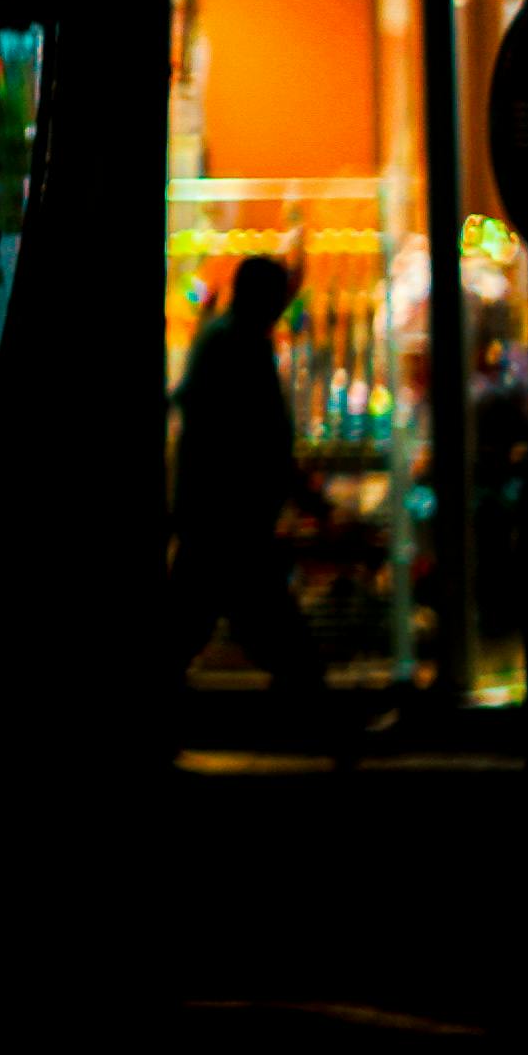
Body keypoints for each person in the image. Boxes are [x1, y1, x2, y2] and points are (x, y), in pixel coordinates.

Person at [168, 254, 335, 729]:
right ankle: (313, 720)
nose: (283, 306)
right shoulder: (239, 344)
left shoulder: (223, 338)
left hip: (214, 515)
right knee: (268, 624)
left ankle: (307, 713)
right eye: (280, 295)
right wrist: (303, 495)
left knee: (193, 619)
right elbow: (257, 437)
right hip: (231, 519)